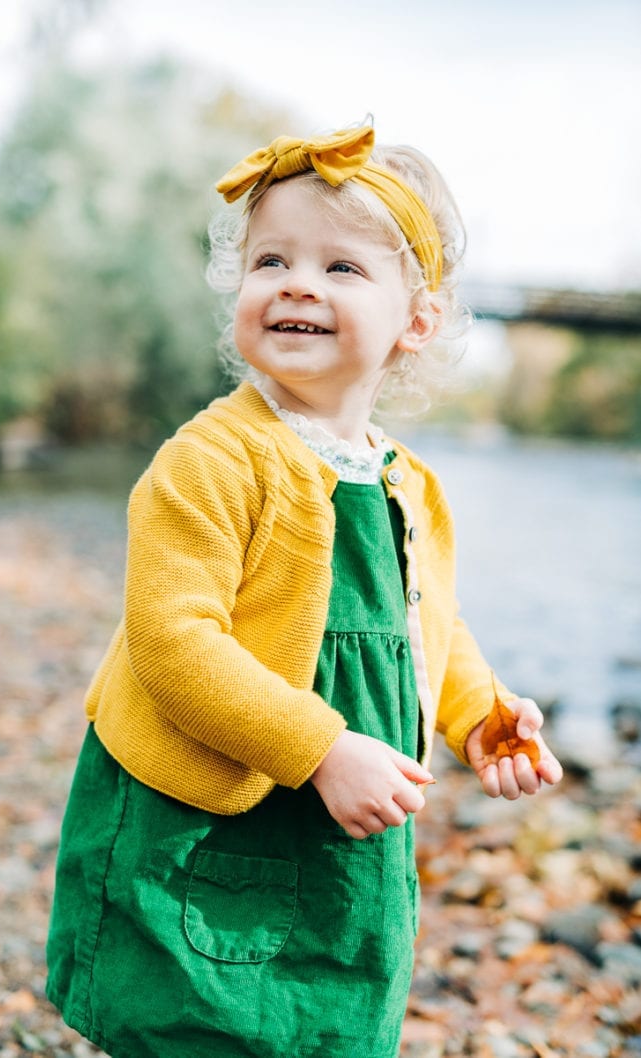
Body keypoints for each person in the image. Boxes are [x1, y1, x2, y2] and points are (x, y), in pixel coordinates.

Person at [46, 122, 563, 1058]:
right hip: (207, 803)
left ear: (417, 321)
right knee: (196, 1018)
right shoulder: (211, 458)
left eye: (341, 268)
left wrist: (476, 711)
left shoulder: (403, 478)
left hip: (340, 812)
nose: (295, 283)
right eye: (271, 259)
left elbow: (423, 624)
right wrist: (322, 749)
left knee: (322, 1011)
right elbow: (173, 642)